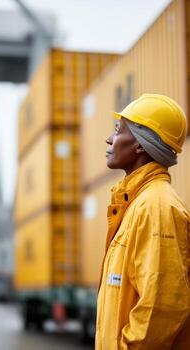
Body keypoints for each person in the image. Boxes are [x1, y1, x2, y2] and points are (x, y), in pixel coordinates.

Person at [95, 94, 190, 350]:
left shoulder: (156, 208)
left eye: (118, 131)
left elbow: (161, 307)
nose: (109, 139)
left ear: (140, 145)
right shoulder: (137, 204)